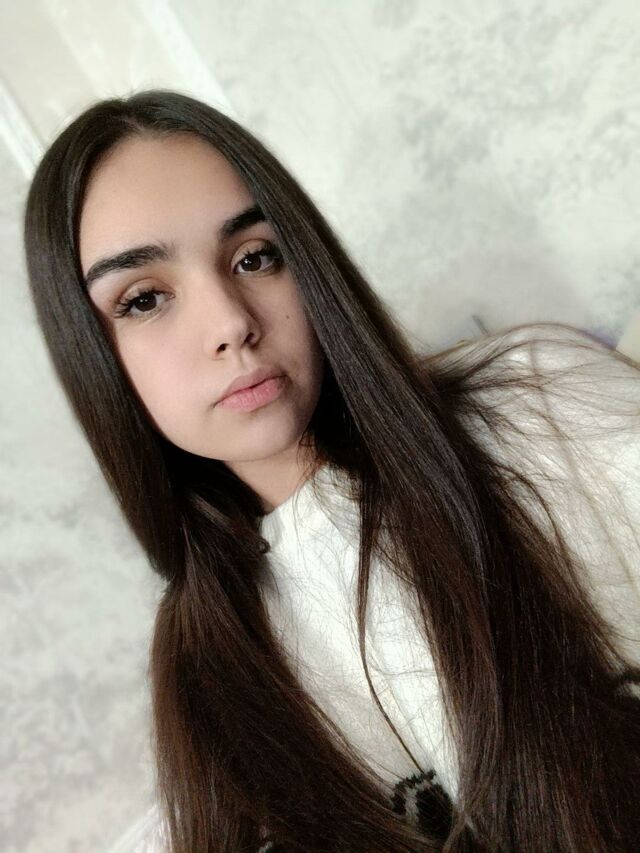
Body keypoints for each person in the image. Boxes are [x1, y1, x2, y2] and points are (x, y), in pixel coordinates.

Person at [23, 89, 640, 853]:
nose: (232, 323)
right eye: (145, 299)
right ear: (93, 359)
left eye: (256, 256)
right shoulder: (205, 681)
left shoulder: (534, 407)